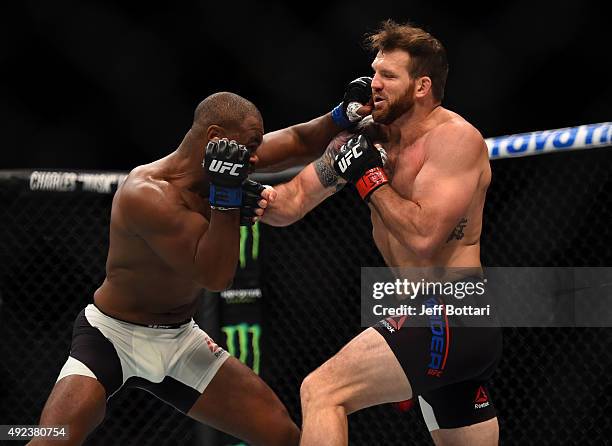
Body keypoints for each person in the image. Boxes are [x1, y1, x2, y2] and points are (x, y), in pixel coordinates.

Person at [30, 90, 356, 446]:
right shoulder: (147, 193)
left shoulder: (230, 162)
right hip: (112, 338)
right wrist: (227, 203)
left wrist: (343, 116)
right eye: (248, 146)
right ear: (216, 138)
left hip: (179, 339)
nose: (255, 156)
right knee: (52, 439)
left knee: (282, 434)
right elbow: (215, 277)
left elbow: (296, 141)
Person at [259, 20, 502, 446]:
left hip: (454, 312)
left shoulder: (455, 140)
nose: (374, 84)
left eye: (388, 76)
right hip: (422, 316)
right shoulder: (369, 139)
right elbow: (291, 203)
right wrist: (239, 197)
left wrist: (369, 177)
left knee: (322, 390)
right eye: (374, 72)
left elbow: (424, 236)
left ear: (422, 86)